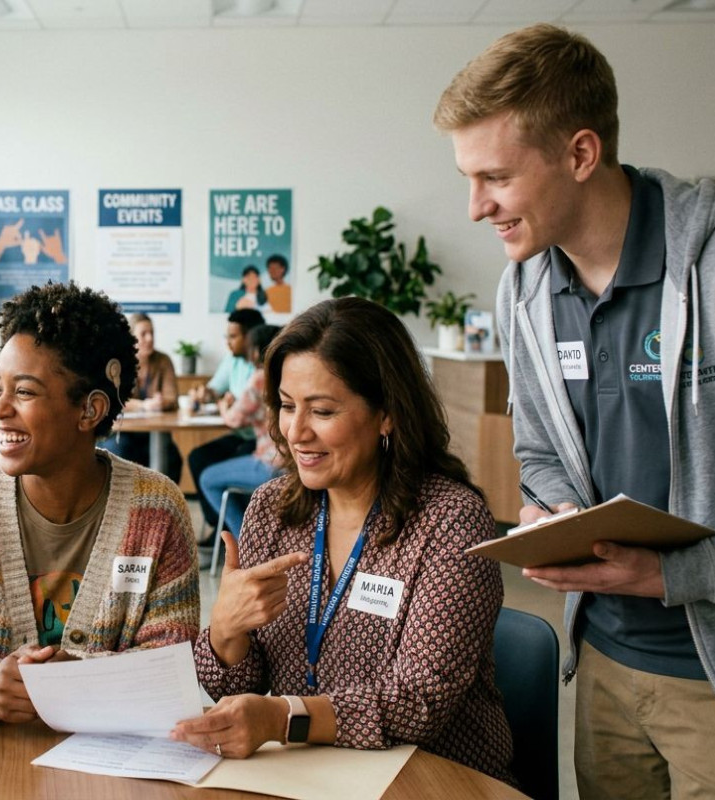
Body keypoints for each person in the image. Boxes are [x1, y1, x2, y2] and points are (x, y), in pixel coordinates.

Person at [436, 23, 715, 798]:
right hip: (605, 666)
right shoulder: (526, 292)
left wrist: (676, 572)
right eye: (467, 179)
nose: (476, 207)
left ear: (580, 155)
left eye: (496, 178)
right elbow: (540, 450)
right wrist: (558, 514)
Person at [171, 298, 513, 783]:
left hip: (434, 777)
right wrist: (226, 632)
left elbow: (419, 702)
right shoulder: (272, 510)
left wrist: (283, 717)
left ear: (387, 414)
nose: (295, 432)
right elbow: (236, 684)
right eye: (288, 407)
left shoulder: (450, 522)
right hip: (307, 775)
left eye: (323, 411)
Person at [0, 282, 199, 723]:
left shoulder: (156, 510)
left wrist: (81, 680)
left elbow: (169, 666)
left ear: (89, 411)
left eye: (25, 392)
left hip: (109, 772)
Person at [199, 323, 283, 539]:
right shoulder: (284, 375)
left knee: (207, 477)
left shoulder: (259, 378)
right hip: (293, 463)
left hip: (271, 463)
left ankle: (245, 541)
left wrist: (223, 406)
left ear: (255, 351)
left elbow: (234, 420)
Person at [188, 307, 265, 540]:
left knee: (228, 462)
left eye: (233, 336)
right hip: (241, 434)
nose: (228, 342)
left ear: (250, 337)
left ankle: (241, 535)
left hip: (257, 440)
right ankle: (220, 528)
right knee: (198, 457)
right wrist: (205, 393)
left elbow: (234, 416)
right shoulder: (233, 361)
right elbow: (216, 388)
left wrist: (225, 404)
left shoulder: (261, 370)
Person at [103, 312, 182, 482]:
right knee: (119, 452)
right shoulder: (119, 363)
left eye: (152, 333)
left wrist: (161, 403)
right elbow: (114, 399)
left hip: (154, 434)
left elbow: (172, 397)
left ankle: (162, 507)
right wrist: (145, 405)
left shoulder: (163, 360)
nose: (149, 338)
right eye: (143, 334)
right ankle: (124, 506)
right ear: (131, 337)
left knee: (172, 457)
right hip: (121, 434)